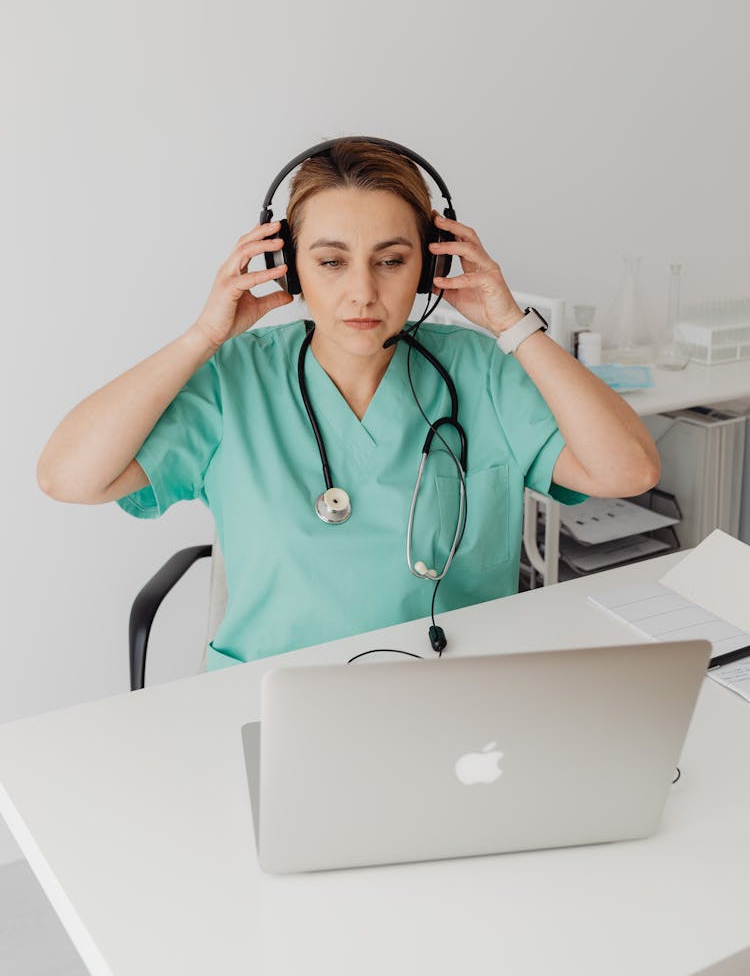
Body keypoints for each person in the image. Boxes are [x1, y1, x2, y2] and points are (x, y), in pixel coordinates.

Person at [37, 138, 660, 670]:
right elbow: (68, 477)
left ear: (428, 267)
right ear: (288, 269)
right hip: (270, 698)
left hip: (454, 695)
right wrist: (203, 336)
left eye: (391, 261)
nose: (362, 291)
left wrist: (512, 327)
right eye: (331, 261)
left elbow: (628, 470)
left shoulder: (480, 369)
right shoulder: (232, 379)